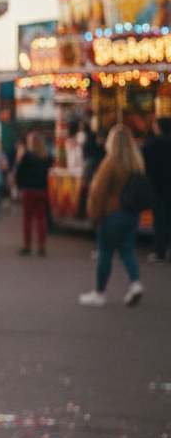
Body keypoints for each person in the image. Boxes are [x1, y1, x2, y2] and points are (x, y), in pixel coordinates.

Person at [79, 125, 146, 308]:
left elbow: (98, 192)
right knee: (128, 251)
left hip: (111, 214)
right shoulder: (136, 162)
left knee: (105, 254)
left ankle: (99, 294)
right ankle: (135, 284)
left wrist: (94, 216)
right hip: (131, 214)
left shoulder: (110, 163)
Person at [15, 131, 52, 256]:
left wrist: (20, 186)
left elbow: (19, 173)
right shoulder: (46, 157)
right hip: (42, 190)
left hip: (29, 190)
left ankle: (27, 245)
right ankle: (41, 246)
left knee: (27, 219)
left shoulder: (26, 156)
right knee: (41, 218)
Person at [142, 117, 171, 263]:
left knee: (160, 220)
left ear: (158, 127)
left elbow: (143, 162)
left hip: (157, 187)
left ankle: (160, 251)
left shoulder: (153, 144)